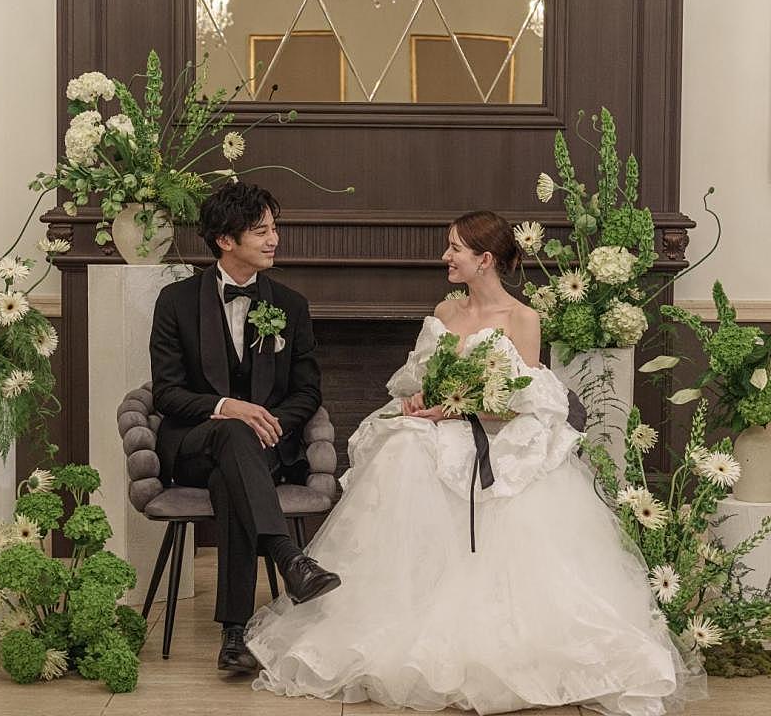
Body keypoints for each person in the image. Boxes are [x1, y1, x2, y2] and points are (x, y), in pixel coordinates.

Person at [245, 210, 705, 716]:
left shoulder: (523, 319)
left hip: (494, 436)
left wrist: (456, 409)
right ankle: (401, 608)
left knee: (470, 474)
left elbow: (523, 402)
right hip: (437, 428)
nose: (445, 256)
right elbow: (421, 379)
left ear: (484, 260)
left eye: (455, 248)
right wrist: (421, 398)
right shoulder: (445, 310)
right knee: (401, 448)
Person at [149, 181, 341, 673]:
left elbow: (307, 393)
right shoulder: (175, 301)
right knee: (232, 434)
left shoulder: (291, 305)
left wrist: (268, 423)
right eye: (261, 231)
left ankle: (235, 637)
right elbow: (167, 393)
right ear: (225, 240)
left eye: (274, 228)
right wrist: (227, 407)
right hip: (194, 444)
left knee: (231, 472)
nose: (274, 239)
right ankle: (286, 553)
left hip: (264, 449)